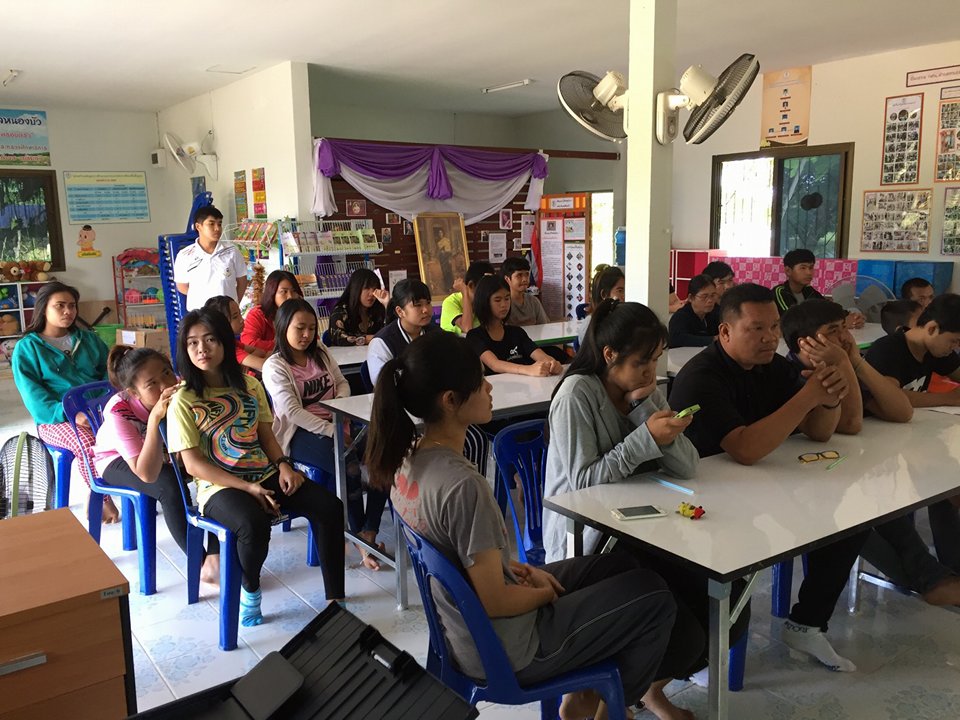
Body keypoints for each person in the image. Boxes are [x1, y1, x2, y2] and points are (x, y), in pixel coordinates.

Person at [365, 331, 691, 720]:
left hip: (463, 630)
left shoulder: (407, 461)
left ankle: (584, 697)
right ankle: (610, 708)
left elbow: (463, 561)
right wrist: (543, 595)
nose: (490, 387)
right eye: (479, 382)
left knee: (620, 566)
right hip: (507, 650)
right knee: (655, 598)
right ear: (450, 400)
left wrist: (516, 570)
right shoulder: (463, 486)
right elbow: (496, 601)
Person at [669, 283, 865, 672]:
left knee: (849, 524)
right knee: (732, 598)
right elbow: (744, 448)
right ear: (725, 332)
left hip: (761, 485)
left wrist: (827, 398)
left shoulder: (773, 368)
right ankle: (693, 661)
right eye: (757, 328)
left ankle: (807, 622)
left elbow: (819, 433)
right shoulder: (701, 376)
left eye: (774, 327)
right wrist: (809, 397)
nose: (770, 338)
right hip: (701, 500)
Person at [542, 300, 713, 718]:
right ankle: (603, 697)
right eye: (641, 362)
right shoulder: (577, 394)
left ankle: (629, 692)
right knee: (683, 636)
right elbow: (583, 483)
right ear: (609, 355)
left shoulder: (641, 392)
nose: (650, 372)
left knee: (718, 613)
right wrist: (645, 439)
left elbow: (688, 466)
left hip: (644, 530)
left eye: (656, 360)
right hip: (588, 541)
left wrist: (645, 408)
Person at [166, 308, 345, 625]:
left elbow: (266, 436)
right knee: (253, 524)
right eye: (192, 343)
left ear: (225, 341)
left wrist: (284, 466)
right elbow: (193, 465)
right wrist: (248, 487)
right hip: (219, 487)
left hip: (264, 473)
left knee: (330, 506)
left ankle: (335, 597)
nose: (202, 349)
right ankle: (250, 589)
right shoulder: (184, 399)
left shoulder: (250, 386)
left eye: (210, 340)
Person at [782, 299, 960, 605]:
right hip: (797, 480)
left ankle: (937, 576)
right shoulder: (789, 373)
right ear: (806, 342)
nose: (845, 337)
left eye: (844, 328)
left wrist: (849, 361)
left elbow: (864, 421)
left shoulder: (837, 364)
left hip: (841, 461)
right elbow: (851, 423)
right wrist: (848, 362)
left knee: (920, 490)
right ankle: (931, 578)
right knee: (864, 510)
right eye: (834, 331)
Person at [262, 299, 388, 571]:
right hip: (300, 433)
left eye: (311, 328)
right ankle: (361, 541)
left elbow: (342, 383)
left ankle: (369, 530)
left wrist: (338, 409)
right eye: (300, 328)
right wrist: (332, 429)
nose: (307, 334)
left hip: (338, 421)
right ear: (283, 327)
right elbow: (293, 412)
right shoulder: (275, 366)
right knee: (347, 462)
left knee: (385, 451)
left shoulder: (319, 351)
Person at [91, 345, 220, 582]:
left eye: (167, 373)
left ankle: (215, 555)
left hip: (164, 453)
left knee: (215, 464)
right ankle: (200, 563)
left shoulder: (180, 387)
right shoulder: (118, 411)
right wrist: (154, 418)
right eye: (152, 384)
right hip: (115, 460)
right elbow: (146, 473)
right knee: (169, 484)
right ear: (134, 393)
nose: (165, 385)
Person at [864, 294, 960, 580]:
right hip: (875, 449)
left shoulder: (934, 350)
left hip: (911, 438)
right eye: (953, 341)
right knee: (943, 484)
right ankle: (935, 577)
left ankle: (952, 568)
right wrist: (949, 398)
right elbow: (890, 399)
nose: (954, 348)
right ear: (931, 328)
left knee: (948, 485)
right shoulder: (889, 349)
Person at [12, 281, 118, 523]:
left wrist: (103, 406)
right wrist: (71, 414)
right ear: (43, 308)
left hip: (98, 412)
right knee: (88, 442)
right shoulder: (27, 348)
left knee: (139, 428)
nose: (68, 311)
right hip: (55, 421)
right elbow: (35, 398)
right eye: (59, 306)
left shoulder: (88, 340)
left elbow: (109, 374)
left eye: (72, 305)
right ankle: (102, 497)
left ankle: (142, 490)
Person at [466, 275, 562, 377]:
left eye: (507, 299)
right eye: (497, 300)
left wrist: (552, 363)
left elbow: (539, 354)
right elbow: (495, 364)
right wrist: (529, 369)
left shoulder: (516, 332)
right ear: (484, 302)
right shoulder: (474, 336)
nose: (504, 305)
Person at [174, 206, 248, 311]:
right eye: (211, 224)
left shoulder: (232, 251)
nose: (217, 228)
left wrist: (234, 305)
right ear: (198, 226)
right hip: (200, 314)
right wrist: (203, 296)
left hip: (226, 313)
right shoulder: (185, 255)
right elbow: (182, 286)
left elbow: (242, 281)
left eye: (219, 224)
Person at [367, 279, 438, 386]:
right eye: (418, 305)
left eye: (428, 303)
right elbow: (384, 385)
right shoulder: (382, 343)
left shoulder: (437, 334)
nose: (426, 310)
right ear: (400, 311)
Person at [240, 270, 303, 356]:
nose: (290, 296)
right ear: (272, 293)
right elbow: (249, 344)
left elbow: (313, 341)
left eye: (294, 291)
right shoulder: (257, 314)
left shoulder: (302, 314)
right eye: (284, 291)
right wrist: (289, 345)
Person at [328, 268, 390, 346]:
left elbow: (391, 332)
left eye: (375, 289)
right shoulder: (341, 311)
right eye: (367, 288)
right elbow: (337, 337)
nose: (372, 293)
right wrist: (367, 339)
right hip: (347, 354)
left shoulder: (377, 310)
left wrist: (387, 305)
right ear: (356, 288)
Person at [204, 295, 266, 373]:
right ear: (220, 322)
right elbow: (266, 365)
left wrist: (247, 364)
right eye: (235, 317)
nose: (242, 320)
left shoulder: (232, 342)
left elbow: (260, 351)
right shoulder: (228, 349)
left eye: (240, 314)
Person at [440, 261, 494, 335]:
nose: (489, 292)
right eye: (485, 288)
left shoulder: (486, 302)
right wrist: (465, 292)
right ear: (471, 285)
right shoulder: (450, 302)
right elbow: (467, 328)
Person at [667, 274, 719, 347]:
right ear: (691, 298)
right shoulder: (680, 317)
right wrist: (712, 339)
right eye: (704, 296)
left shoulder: (715, 313)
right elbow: (676, 339)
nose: (710, 300)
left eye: (713, 295)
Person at [772, 248, 822, 315]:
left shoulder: (810, 291)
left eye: (811, 267)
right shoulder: (779, 292)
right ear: (788, 271)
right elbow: (790, 317)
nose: (809, 273)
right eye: (803, 268)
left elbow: (827, 310)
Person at [501, 256, 549, 326]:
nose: (524, 279)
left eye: (527, 274)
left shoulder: (533, 301)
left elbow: (544, 325)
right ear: (507, 279)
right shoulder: (503, 303)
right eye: (519, 275)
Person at [435, 229, 455, 293]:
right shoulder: (438, 242)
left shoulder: (446, 240)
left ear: (443, 233)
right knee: (444, 273)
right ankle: (447, 287)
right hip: (442, 260)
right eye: (439, 233)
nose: (440, 234)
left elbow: (449, 251)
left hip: (447, 259)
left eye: (441, 232)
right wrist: (440, 253)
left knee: (449, 272)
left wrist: (449, 258)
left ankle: (451, 286)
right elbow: (438, 252)